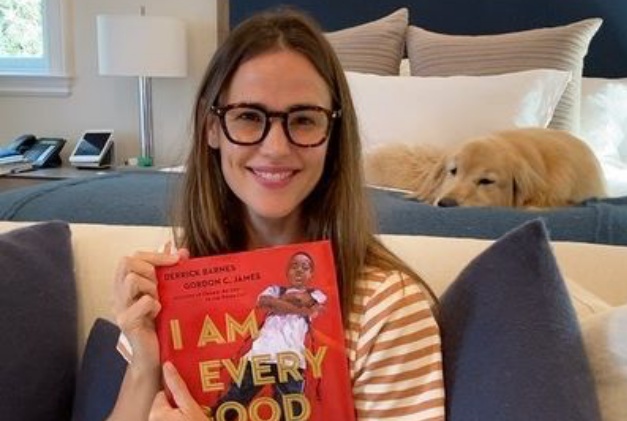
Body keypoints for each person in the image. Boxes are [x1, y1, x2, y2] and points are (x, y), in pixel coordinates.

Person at [109, 7, 445, 421]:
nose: (275, 148)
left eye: (303, 120)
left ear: (334, 136)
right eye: (249, 117)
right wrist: (144, 363)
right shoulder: (176, 272)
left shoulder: (387, 306)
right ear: (212, 127)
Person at [212, 251, 326, 420]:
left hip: (291, 361)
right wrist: (300, 308)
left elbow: (310, 304)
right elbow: (265, 302)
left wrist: (280, 303)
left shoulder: (317, 294)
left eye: (305, 267)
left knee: (291, 412)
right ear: (287, 271)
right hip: (261, 355)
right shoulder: (274, 289)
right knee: (233, 401)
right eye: (294, 266)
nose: (299, 270)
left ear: (311, 274)